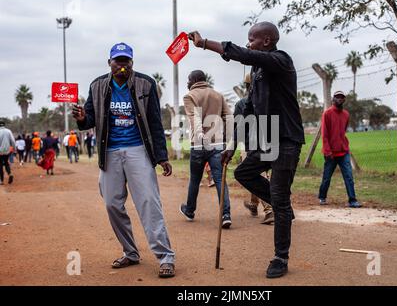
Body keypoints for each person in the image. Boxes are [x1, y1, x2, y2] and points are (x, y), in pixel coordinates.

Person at [189, 22, 305, 278]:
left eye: (252, 39)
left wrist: (204, 43)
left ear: (266, 41)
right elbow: (247, 110)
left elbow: (244, 53)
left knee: (279, 194)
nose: (248, 42)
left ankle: (280, 257)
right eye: (248, 39)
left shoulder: (280, 60)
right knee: (244, 173)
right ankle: (281, 205)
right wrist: (232, 146)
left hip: (286, 139)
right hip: (268, 140)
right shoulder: (258, 71)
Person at [72, 42, 175, 278]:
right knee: (112, 204)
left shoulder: (145, 83)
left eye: (126, 61)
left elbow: (156, 123)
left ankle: (165, 256)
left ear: (132, 63)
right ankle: (130, 252)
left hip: (138, 149)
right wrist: (81, 117)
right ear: (109, 63)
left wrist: (161, 157)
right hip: (110, 153)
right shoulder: (97, 85)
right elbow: (89, 120)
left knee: (149, 202)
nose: (122, 66)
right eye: (117, 61)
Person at [179, 70, 232, 228]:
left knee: (195, 179)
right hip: (217, 145)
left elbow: (194, 117)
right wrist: (229, 141)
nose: (187, 83)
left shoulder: (189, 96)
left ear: (194, 80)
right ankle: (226, 215)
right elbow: (228, 117)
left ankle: (189, 210)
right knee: (219, 180)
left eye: (189, 80)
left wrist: (200, 134)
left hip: (199, 144)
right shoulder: (218, 95)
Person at [236, 73, 274, 225]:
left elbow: (239, 127)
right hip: (270, 144)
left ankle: (270, 209)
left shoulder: (242, 104)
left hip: (251, 146)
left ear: (246, 86)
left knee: (255, 175)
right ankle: (253, 204)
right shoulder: (269, 101)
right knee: (255, 177)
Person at [318, 91, 362, 208]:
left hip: (343, 152)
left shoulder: (346, 114)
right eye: (337, 97)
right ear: (333, 99)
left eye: (342, 97)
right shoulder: (327, 114)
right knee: (327, 177)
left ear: (344, 100)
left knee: (349, 176)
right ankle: (322, 197)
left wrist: (343, 145)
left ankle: (352, 200)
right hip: (330, 153)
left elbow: (343, 130)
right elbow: (325, 134)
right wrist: (328, 151)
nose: (339, 99)